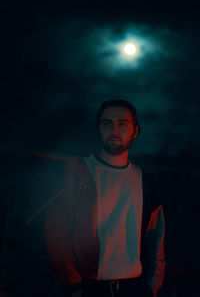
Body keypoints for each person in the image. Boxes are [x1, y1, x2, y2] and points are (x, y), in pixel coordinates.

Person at [44, 99, 166, 297]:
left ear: (136, 131)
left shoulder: (146, 181)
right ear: (98, 128)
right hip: (89, 287)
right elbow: (57, 233)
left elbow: (156, 237)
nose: (114, 130)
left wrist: (153, 285)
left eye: (122, 124)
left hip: (135, 287)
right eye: (107, 123)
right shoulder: (77, 172)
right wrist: (74, 286)